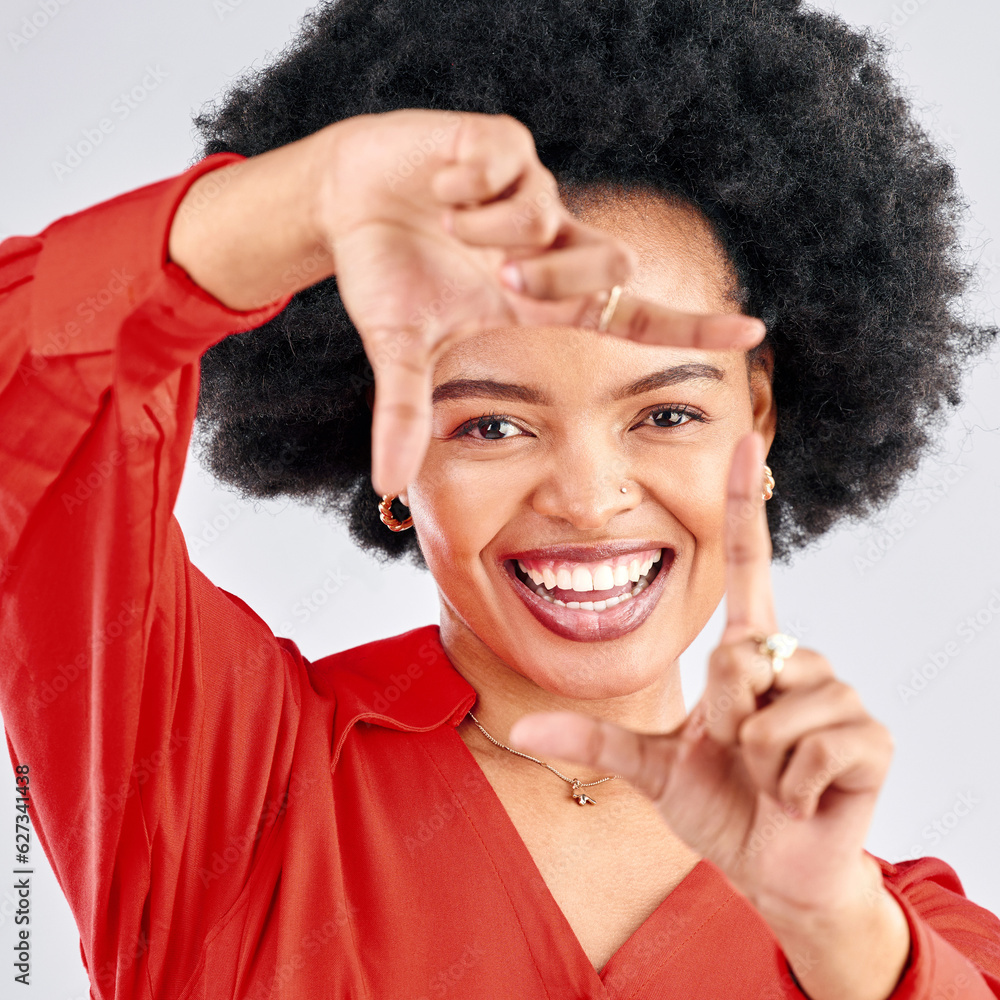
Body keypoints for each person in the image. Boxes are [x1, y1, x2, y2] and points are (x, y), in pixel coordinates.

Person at [2, 1, 999, 998]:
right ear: (392, 452)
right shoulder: (222, 783)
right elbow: (32, 410)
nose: (588, 498)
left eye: (665, 414)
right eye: (490, 424)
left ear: (761, 418)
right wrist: (313, 199)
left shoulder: (902, 937)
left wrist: (836, 929)